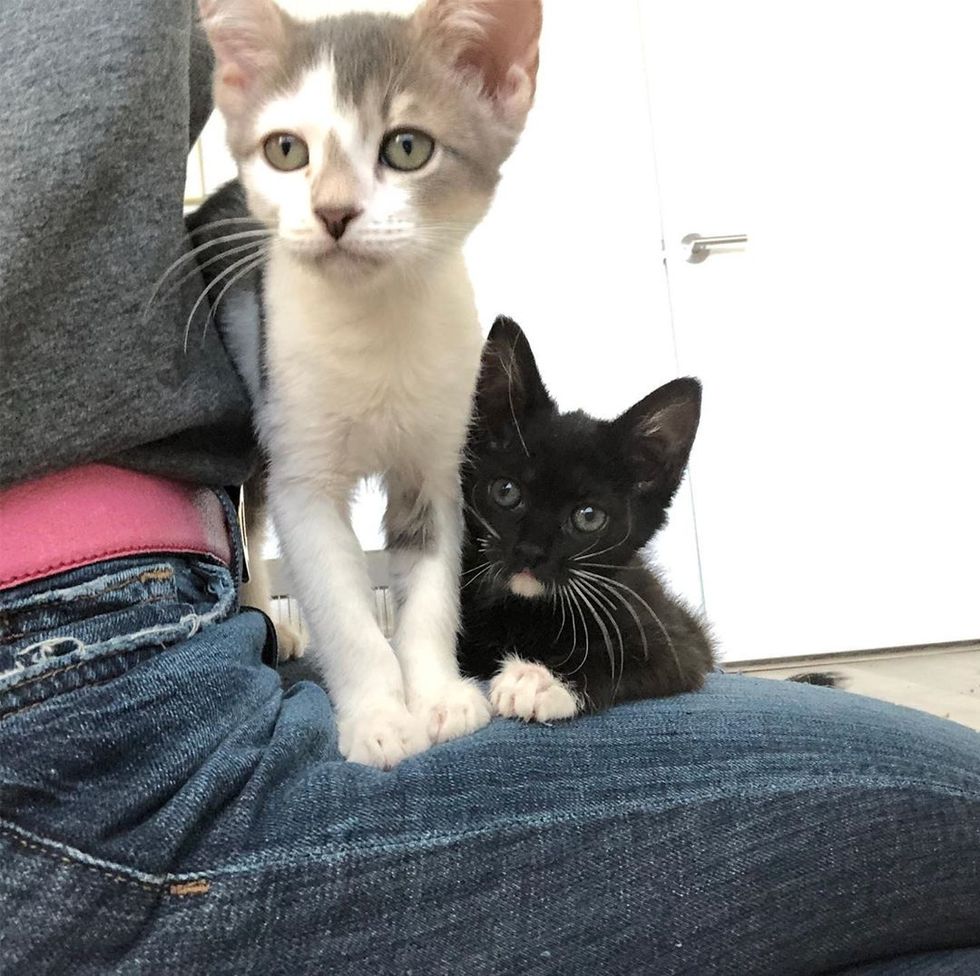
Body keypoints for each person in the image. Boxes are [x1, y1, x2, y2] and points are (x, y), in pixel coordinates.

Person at [1, 4, 977, 974]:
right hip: (93, 702)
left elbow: (427, 503)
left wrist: (426, 669)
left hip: (186, 618)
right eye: (291, 150)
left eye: (405, 145)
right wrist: (372, 683)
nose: (336, 199)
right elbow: (303, 490)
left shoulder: (444, 312)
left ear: (497, 85)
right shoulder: (256, 259)